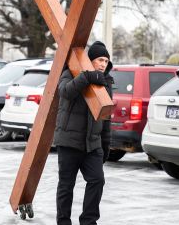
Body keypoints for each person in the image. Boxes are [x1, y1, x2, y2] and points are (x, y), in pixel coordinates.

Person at [54, 41, 113, 225]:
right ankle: (63, 222)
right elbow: (65, 92)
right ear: (90, 60)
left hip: (92, 145)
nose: (103, 64)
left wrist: (105, 145)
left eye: (106, 60)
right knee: (66, 186)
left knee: (97, 181)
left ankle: (88, 221)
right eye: (100, 59)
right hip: (69, 142)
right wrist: (86, 77)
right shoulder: (70, 73)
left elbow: (106, 117)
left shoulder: (106, 82)